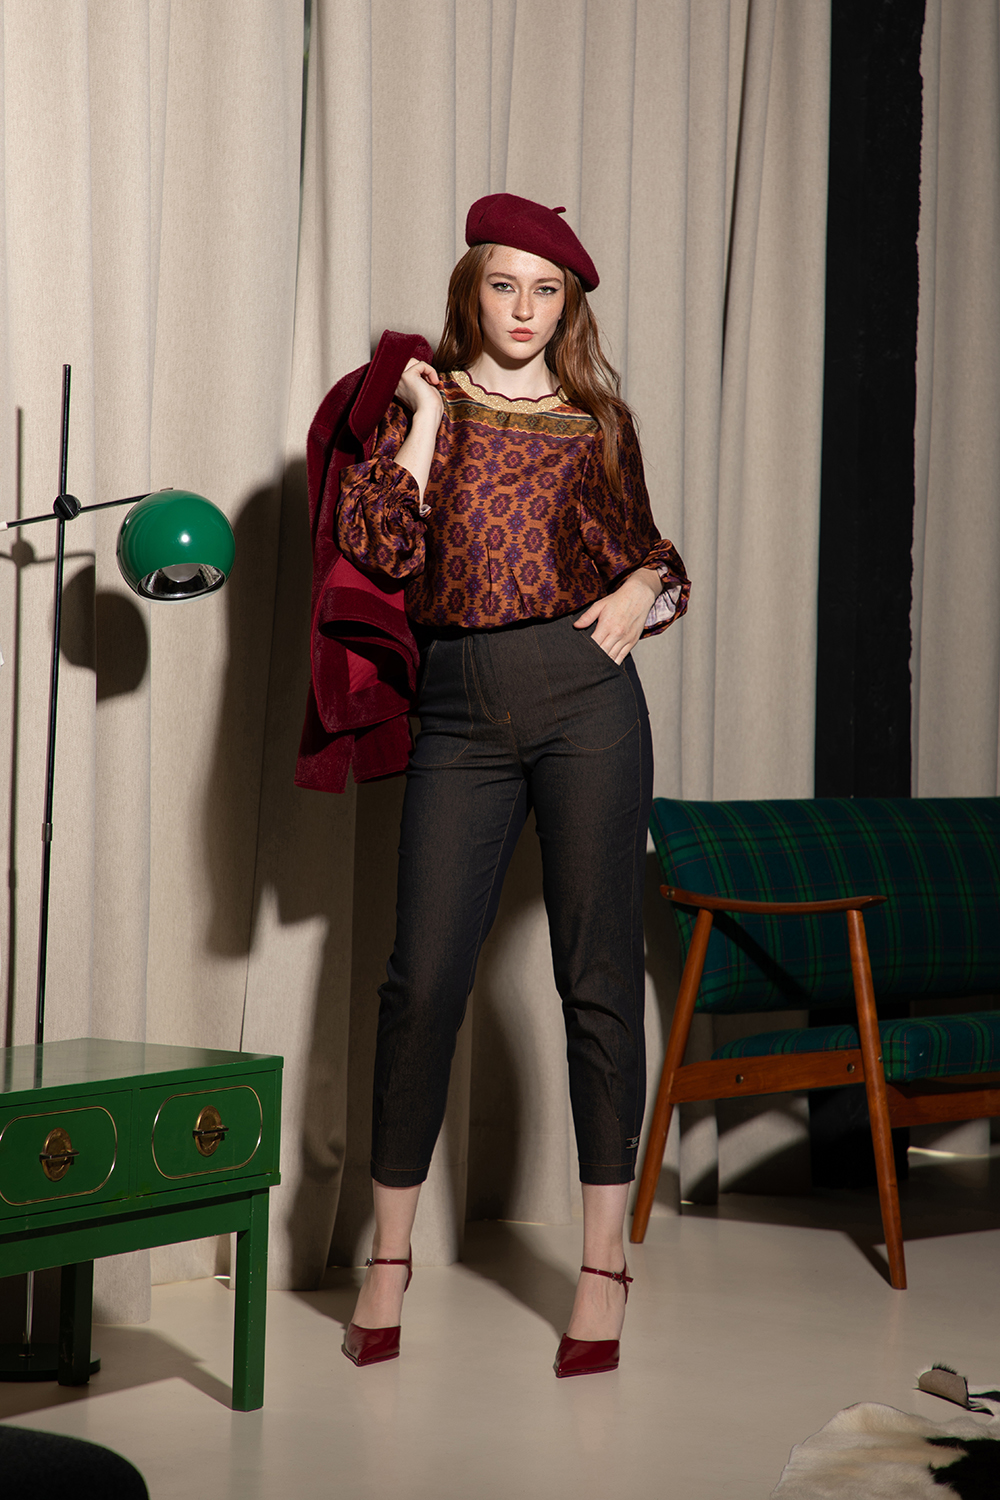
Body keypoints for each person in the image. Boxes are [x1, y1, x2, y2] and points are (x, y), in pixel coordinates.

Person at [334, 193, 690, 1377]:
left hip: (586, 700)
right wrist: (428, 419)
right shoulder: (422, 403)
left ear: (567, 304)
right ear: (471, 290)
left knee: (597, 975)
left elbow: (649, 548)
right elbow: (382, 545)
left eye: (545, 291)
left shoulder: (598, 423)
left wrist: (639, 587)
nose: (524, 310)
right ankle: (388, 1258)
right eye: (503, 286)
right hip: (459, 709)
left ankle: (601, 1267)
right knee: (422, 981)